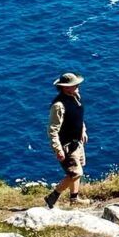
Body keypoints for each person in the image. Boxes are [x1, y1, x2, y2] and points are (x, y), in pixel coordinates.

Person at [45, 72, 90, 209]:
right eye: (74, 84)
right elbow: (52, 129)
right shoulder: (58, 105)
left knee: (77, 171)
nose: (77, 86)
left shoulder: (75, 97)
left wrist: (83, 131)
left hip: (77, 142)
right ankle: (53, 196)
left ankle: (74, 199)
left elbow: (78, 117)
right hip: (66, 146)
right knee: (76, 173)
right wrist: (58, 149)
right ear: (65, 87)